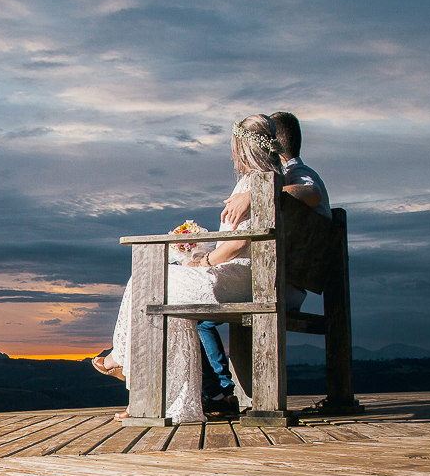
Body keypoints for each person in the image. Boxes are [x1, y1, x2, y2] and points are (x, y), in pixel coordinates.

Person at [91, 114, 283, 423]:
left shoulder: (256, 183)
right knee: (165, 303)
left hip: (238, 279)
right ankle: (177, 403)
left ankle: (123, 362)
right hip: (252, 276)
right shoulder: (273, 179)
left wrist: (204, 260)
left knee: (145, 281)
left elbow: (238, 243)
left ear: (240, 146)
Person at [197, 111, 332, 412]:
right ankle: (222, 391)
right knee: (205, 313)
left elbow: (312, 193)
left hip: (278, 285)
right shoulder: (281, 175)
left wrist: (260, 194)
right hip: (289, 281)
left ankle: (219, 391)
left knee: (197, 315)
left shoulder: (294, 173)